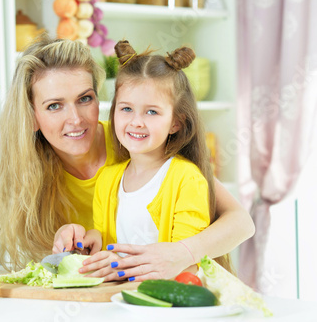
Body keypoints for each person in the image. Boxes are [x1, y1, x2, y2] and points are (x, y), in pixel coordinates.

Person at [0, 35, 255, 275]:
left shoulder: (138, 145)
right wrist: (75, 246)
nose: (75, 119)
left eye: (85, 99)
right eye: (54, 105)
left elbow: (241, 222)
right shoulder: (32, 173)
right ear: (31, 117)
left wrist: (180, 254)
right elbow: (101, 252)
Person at [64, 41, 231, 281]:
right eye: (126, 109)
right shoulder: (107, 180)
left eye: (151, 111)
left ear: (176, 122)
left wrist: (120, 266)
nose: (136, 122)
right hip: (122, 300)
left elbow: (185, 265)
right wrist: (89, 243)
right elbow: (108, 245)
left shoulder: (186, 179)